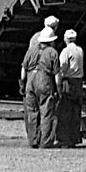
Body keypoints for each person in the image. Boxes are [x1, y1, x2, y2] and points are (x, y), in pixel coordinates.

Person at [19, 21, 60, 149]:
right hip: (44, 80)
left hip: (30, 80)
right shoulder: (53, 52)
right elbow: (57, 75)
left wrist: (22, 85)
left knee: (32, 112)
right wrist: (58, 90)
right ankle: (45, 142)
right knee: (46, 111)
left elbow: (23, 69)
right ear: (51, 41)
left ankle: (33, 140)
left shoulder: (31, 51)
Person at [57, 29, 85, 148]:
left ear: (65, 39)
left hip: (69, 82)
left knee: (65, 111)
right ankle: (75, 138)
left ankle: (65, 139)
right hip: (79, 82)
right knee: (76, 111)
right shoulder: (80, 50)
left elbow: (62, 68)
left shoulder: (65, 51)